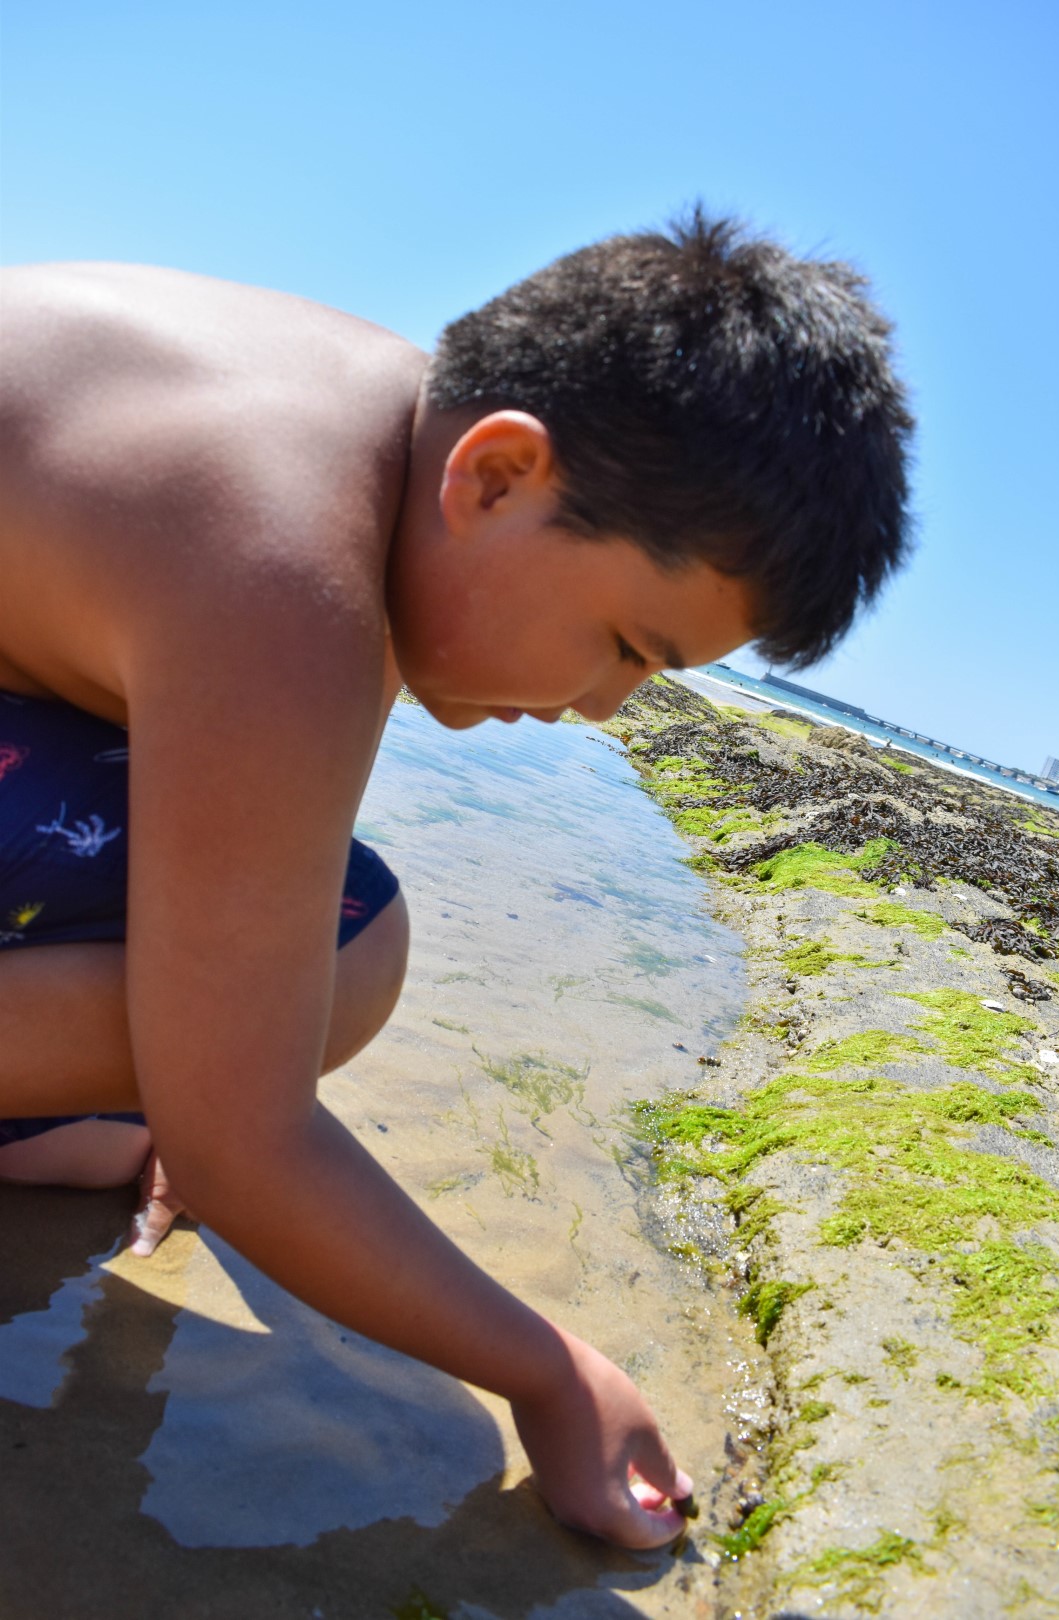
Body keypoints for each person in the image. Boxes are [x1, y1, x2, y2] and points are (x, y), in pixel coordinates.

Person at [0, 210, 913, 1547]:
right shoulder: (281, 564)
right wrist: (548, 1370)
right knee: (338, 963)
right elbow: (239, 1139)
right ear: (497, 476)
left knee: (314, 928)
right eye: (626, 646)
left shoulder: (347, 426)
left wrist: (206, 1090)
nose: (608, 708)